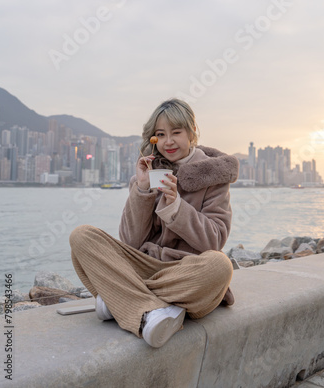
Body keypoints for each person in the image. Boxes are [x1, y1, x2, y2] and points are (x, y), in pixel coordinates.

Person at [69, 98, 239, 348]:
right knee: (81, 237)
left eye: (176, 133)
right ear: (153, 138)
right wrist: (142, 190)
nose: (168, 141)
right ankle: (153, 310)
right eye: (161, 134)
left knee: (220, 266)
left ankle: (120, 297)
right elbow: (129, 242)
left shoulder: (213, 176)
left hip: (185, 273)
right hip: (146, 265)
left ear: (192, 133)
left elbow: (214, 240)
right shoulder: (149, 173)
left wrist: (176, 207)